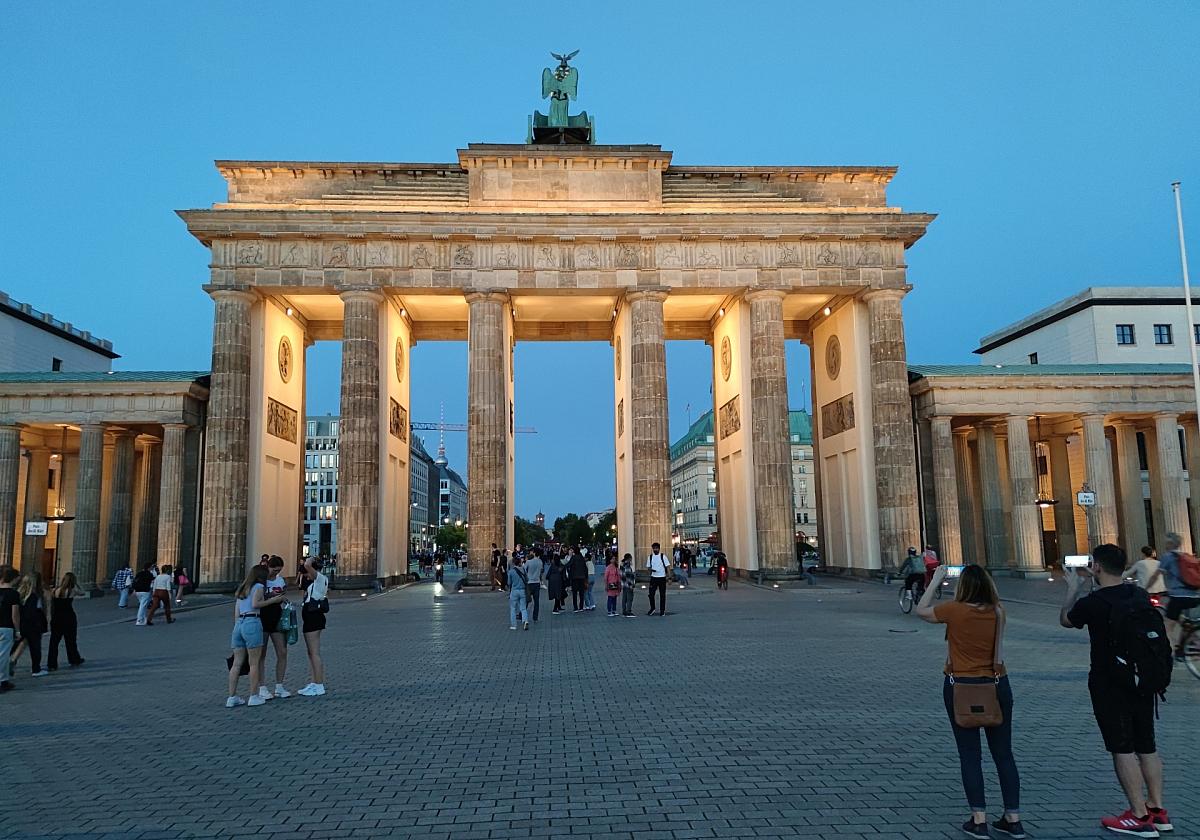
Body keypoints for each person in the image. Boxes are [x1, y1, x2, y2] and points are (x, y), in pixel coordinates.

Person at [1062, 543, 1173, 838]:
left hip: (1109, 682)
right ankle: (1158, 810)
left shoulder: (1094, 603)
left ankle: (1138, 815)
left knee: (1121, 748)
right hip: (1143, 680)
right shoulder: (1138, 594)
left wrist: (1074, 588)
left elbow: (1066, 620)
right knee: (1146, 745)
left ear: (1096, 567)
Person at [917, 564, 1023, 839]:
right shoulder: (998, 611)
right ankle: (1013, 818)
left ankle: (979, 819)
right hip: (998, 685)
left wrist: (936, 580)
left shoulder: (953, 610)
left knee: (970, 755)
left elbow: (921, 610)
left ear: (962, 586)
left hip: (961, 687)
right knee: (1004, 755)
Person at [225, 565, 287, 708]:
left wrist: (238, 627)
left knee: (237, 663)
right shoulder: (259, 586)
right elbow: (255, 604)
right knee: (254, 663)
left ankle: (231, 697)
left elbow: (236, 611)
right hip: (252, 622)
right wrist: (275, 600)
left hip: (239, 624)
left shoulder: (242, 588)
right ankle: (254, 696)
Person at [1147, 532, 1199, 658]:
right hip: (1195, 595)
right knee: (1186, 623)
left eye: (1166, 542)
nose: (1164, 544)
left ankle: (1170, 653)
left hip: (1178, 596)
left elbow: (1155, 575)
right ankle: (1189, 644)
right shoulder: (1186, 555)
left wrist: (1145, 588)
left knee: (1168, 626)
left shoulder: (1167, 557)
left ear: (1170, 544)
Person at [256, 555, 292, 701]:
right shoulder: (260, 581)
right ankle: (261, 687)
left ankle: (279, 686)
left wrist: (282, 600)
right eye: (274, 570)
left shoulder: (280, 580)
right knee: (261, 654)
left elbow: (282, 594)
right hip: (262, 616)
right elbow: (256, 600)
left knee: (282, 652)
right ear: (268, 567)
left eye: (278, 571)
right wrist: (273, 598)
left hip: (277, 616)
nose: (275, 573)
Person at [298, 557, 329, 697]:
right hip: (310, 618)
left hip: (314, 618)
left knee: (314, 652)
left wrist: (311, 559)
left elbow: (307, 564)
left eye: (308, 572)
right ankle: (314, 682)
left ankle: (319, 685)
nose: (306, 575)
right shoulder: (315, 582)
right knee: (311, 653)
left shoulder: (320, 578)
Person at [47, 572, 85, 670]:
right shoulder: (71, 591)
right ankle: (74, 658)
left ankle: (52, 664)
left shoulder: (55, 590)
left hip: (57, 617)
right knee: (70, 640)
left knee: (54, 642)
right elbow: (82, 592)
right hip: (68, 617)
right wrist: (76, 584)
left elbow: (50, 605)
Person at [16, 571, 48, 678]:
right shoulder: (35, 596)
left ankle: (9, 664)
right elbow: (37, 611)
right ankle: (36, 669)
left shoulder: (19, 594)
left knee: (17, 645)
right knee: (35, 648)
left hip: (22, 624)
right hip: (34, 625)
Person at [0, 566, 20, 692]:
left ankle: (4, 680)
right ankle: (2, 681)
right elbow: (15, 615)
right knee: (3, 656)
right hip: (6, 627)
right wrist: (17, 630)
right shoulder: (13, 594)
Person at [646, 542, 670, 616]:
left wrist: (669, 577)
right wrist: (651, 570)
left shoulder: (663, 556)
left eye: (656, 548)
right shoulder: (650, 557)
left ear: (659, 549)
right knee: (651, 594)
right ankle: (652, 608)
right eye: (654, 548)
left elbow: (667, 567)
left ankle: (662, 610)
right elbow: (648, 567)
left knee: (662, 595)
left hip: (662, 578)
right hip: (653, 578)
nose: (655, 550)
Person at [508, 555, 530, 630]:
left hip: (514, 591)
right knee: (523, 608)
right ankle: (525, 620)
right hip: (522, 591)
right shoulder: (523, 569)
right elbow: (527, 579)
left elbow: (509, 582)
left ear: (514, 563)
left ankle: (514, 625)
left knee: (513, 608)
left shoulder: (511, 571)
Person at [524, 548, 544, 622]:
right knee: (536, 601)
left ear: (534, 553)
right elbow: (541, 571)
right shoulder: (540, 562)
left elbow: (524, 570)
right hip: (537, 582)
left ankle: (522, 614)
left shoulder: (529, 562)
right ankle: (535, 617)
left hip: (529, 582)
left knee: (526, 600)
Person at [568, 548, 589, 613]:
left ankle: (575, 607)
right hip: (582, 578)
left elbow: (569, 564)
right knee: (581, 593)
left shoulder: (573, 558)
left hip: (574, 578)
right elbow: (585, 568)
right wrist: (586, 577)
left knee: (574, 593)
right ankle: (581, 607)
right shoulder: (582, 558)